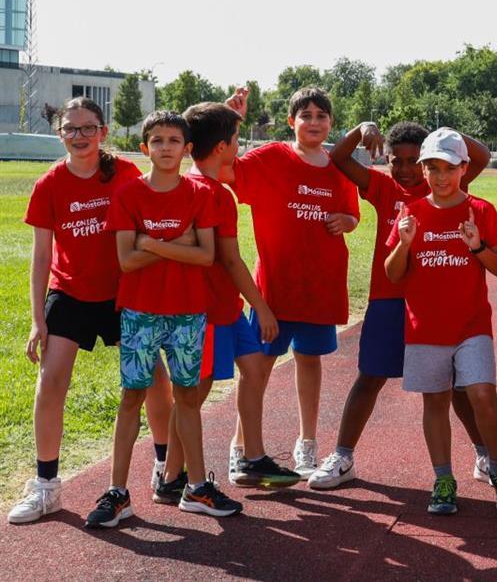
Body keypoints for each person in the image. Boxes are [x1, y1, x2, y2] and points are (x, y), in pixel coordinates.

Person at [9, 98, 172, 524]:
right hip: (71, 292)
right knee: (50, 382)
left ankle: (164, 469)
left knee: (154, 377)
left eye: (87, 128)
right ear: (59, 133)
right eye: (70, 129)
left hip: (123, 291)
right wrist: (37, 319)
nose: (79, 136)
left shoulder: (126, 173)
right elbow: (42, 256)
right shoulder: (49, 184)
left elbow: (156, 215)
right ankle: (47, 487)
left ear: (103, 131)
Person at [308, 121, 493, 490]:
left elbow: (482, 155)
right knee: (370, 376)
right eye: (398, 161)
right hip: (388, 298)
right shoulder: (382, 186)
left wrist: (445, 136)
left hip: (436, 303)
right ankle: (343, 456)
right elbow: (338, 157)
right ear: (387, 160)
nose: (406, 170)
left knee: (455, 387)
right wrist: (363, 129)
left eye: (414, 160)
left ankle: (484, 454)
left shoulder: (442, 182)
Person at [88, 112, 241, 528]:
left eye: (174, 140)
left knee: (187, 397)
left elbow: (206, 255)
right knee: (131, 397)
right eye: (157, 140)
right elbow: (126, 259)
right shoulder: (129, 194)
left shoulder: (200, 194)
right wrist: (179, 241)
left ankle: (195, 488)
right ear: (145, 148)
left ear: (187, 148)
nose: (166, 147)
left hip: (188, 312)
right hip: (139, 312)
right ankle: (118, 492)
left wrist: (151, 241)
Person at [157, 99, 299, 499]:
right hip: (209, 312)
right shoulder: (212, 194)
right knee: (194, 394)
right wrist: (263, 306)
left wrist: (227, 111)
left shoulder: (198, 183)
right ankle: (170, 478)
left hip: (226, 309)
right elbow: (233, 261)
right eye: (237, 138)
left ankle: (252, 458)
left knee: (253, 371)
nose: (242, 145)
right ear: (222, 147)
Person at [384, 128, 497, 516]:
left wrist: (476, 246)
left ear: (464, 168)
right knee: (436, 401)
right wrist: (406, 244)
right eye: (432, 168)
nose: (440, 177)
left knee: (482, 395)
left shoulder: (481, 211)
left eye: (448, 168)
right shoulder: (411, 213)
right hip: (425, 327)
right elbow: (393, 273)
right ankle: (443, 478)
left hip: (471, 325)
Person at [224, 87, 360, 478]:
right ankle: (241, 447)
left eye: (321, 115)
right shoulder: (271, 157)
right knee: (257, 368)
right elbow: (228, 166)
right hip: (275, 290)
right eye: (306, 115)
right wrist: (233, 118)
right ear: (291, 122)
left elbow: (352, 213)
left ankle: (307, 444)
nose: (314, 122)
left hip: (319, 285)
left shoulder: (338, 165)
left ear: (331, 122)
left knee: (309, 360)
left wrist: (348, 221)